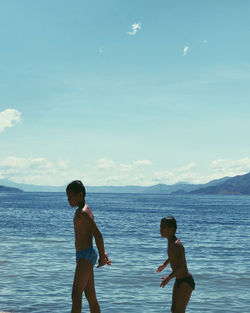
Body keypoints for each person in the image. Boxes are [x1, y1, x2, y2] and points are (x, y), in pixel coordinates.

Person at [66, 180, 112, 313]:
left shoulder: (84, 213)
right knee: (90, 295)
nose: (68, 199)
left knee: (76, 294)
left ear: (80, 195)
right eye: (67, 196)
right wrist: (102, 252)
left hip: (86, 255)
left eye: (71, 196)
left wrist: (102, 255)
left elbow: (98, 235)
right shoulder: (80, 210)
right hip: (84, 254)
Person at [156, 216, 195, 313]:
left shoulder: (177, 244)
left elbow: (182, 267)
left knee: (179, 311)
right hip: (179, 280)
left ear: (172, 229)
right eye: (160, 227)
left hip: (186, 281)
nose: (161, 229)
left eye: (163, 227)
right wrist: (165, 264)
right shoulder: (170, 242)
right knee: (174, 310)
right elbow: (173, 256)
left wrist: (168, 278)